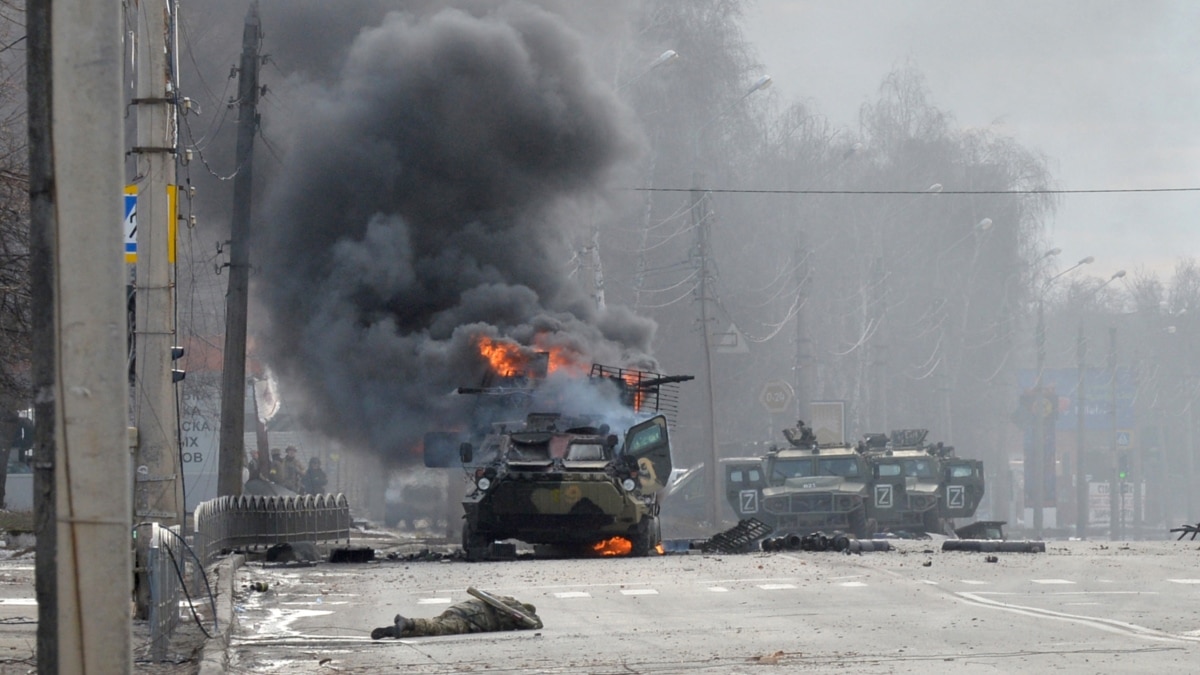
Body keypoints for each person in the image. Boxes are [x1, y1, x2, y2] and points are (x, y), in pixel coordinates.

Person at [370, 592, 542, 639]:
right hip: (473, 618)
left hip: (461, 610)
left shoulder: (503, 599)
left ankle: (395, 630)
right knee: (439, 628)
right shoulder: (516, 610)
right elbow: (536, 624)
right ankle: (407, 622)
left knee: (434, 626)